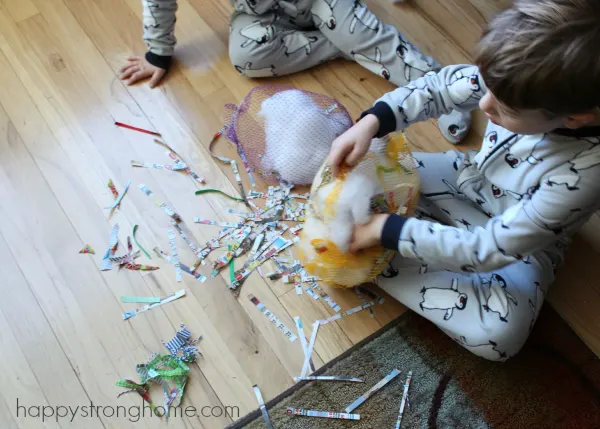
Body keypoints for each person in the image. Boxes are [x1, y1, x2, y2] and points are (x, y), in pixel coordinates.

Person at [328, 0, 600, 361]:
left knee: (499, 335)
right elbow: (440, 88)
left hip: (521, 246)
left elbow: (490, 248)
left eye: (505, 110)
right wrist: (373, 121)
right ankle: (405, 242)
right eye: (485, 87)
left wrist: (387, 232)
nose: (485, 105)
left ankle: (380, 253)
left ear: (576, 120)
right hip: (466, 177)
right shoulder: (514, 80)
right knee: (365, 171)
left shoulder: (585, 173)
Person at [119, 0, 470, 144]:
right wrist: (159, 51)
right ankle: (349, 46)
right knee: (247, 56)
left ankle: (444, 90)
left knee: (363, 33)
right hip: (261, 12)